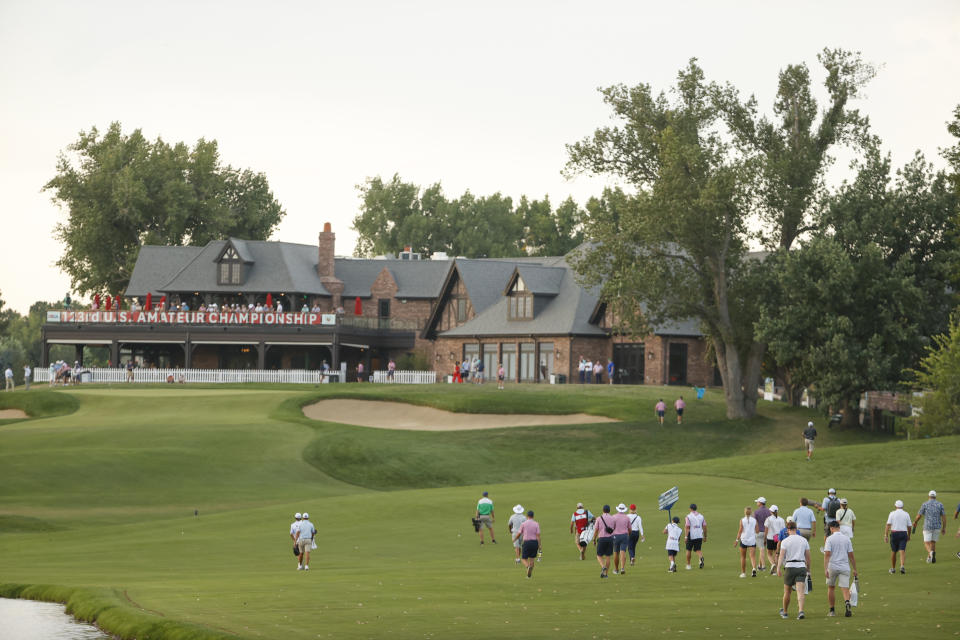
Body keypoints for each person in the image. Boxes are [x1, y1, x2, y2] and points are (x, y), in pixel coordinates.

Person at [777, 521, 811, 620]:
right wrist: (808, 569)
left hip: (790, 567)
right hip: (801, 566)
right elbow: (808, 557)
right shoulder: (803, 540)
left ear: (788, 530)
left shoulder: (785, 541)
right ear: (796, 529)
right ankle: (800, 611)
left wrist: (778, 568)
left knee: (787, 592)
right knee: (800, 592)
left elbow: (781, 556)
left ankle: (785, 612)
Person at [823, 520, 857, 617]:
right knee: (845, 588)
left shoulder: (829, 539)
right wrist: (855, 569)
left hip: (832, 566)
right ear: (839, 527)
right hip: (845, 566)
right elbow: (851, 555)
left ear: (831, 528)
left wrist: (825, 568)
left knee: (831, 587)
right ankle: (847, 602)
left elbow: (827, 554)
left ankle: (832, 610)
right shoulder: (846, 539)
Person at [913, 490, 946, 564]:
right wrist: (944, 528)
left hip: (927, 526)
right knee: (933, 542)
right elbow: (944, 517)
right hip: (937, 526)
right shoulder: (940, 504)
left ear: (928, 496)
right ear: (935, 496)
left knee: (926, 543)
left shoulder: (925, 504)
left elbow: (919, 515)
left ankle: (931, 553)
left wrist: (915, 522)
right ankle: (930, 558)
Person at [885, 499, 912, 574]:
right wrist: (909, 536)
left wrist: (886, 535)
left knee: (894, 551)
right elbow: (909, 526)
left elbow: (888, 525)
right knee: (902, 550)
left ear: (895, 506)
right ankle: (902, 566)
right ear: (902, 506)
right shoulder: (906, 514)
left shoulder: (892, 513)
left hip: (894, 533)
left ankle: (893, 568)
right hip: (903, 533)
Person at [514, 510, 541, 579]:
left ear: (527, 516)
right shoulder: (536, 524)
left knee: (523, 559)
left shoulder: (524, 524)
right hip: (534, 542)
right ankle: (529, 576)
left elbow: (519, 533)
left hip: (527, 542)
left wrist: (515, 539)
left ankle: (527, 567)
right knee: (532, 559)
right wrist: (539, 545)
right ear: (533, 516)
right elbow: (538, 535)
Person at [735, 506, 759, 578]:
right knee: (752, 556)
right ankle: (754, 568)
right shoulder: (754, 520)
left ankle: (743, 573)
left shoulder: (742, 520)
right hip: (752, 540)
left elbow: (740, 531)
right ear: (751, 512)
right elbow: (757, 531)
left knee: (743, 557)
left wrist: (736, 540)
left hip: (744, 539)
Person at [594, 504, 615, 578]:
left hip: (602, 538)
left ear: (603, 510)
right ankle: (605, 574)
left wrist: (594, 538)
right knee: (608, 556)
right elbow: (613, 528)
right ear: (609, 511)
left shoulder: (599, 518)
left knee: (599, 555)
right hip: (610, 539)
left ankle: (603, 566)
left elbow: (596, 529)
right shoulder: (612, 518)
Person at [684, 503, 707, 570]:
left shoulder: (688, 516)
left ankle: (688, 565)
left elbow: (687, 527)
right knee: (698, 549)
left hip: (691, 535)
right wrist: (705, 536)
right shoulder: (701, 516)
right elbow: (705, 526)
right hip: (699, 535)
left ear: (690, 509)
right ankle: (701, 558)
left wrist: (685, 537)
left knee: (688, 550)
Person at [763, 505, 786, 574]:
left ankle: (772, 564)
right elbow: (783, 530)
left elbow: (766, 530)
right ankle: (775, 571)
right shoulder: (781, 519)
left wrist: (764, 539)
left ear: (771, 511)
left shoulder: (768, 519)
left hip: (770, 538)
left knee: (769, 554)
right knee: (776, 554)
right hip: (778, 538)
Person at [753, 497, 771, 571]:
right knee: (762, 548)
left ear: (760, 503)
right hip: (768, 532)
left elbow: (754, 522)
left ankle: (763, 566)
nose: (757, 503)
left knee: (762, 549)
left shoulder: (756, 512)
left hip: (759, 532)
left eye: (757, 502)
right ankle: (760, 565)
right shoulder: (769, 511)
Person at [612, 503, 631, 575]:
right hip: (624, 535)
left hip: (616, 536)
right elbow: (629, 529)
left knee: (616, 552)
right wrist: (628, 534)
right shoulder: (627, 517)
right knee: (623, 551)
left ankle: (616, 569)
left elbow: (612, 527)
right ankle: (622, 568)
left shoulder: (614, 517)